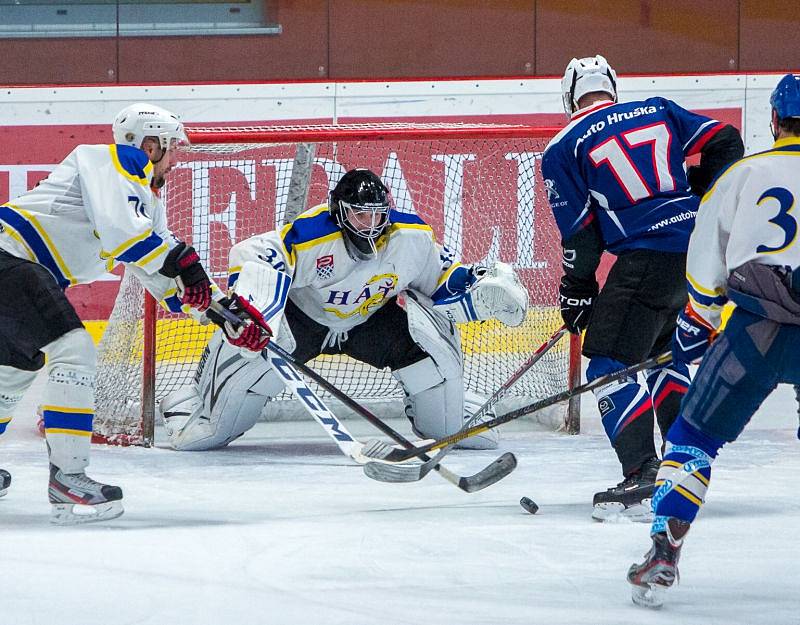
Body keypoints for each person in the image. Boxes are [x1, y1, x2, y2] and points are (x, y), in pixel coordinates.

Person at [0, 103, 269, 524]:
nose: (176, 159)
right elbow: (127, 236)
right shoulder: (107, 160)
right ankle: (68, 477)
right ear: (149, 144)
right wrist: (181, 261)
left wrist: (224, 315)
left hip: (18, 272)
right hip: (9, 259)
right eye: (172, 149)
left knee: (13, 369)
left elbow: (163, 276)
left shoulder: (145, 204)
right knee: (75, 350)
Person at [158, 168, 529, 452]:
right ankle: (194, 404)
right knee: (213, 434)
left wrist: (480, 287)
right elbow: (253, 254)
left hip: (371, 321)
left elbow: (442, 280)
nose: (370, 225)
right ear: (340, 212)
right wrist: (256, 309)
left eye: (377, 215)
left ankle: (451, 409)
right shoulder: (312, 234)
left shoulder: (411, 237)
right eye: (359, 216)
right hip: (304, 321)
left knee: (445, 419)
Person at [541, 55, 744, 521]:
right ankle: (685, 463)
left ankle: (644, 471)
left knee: (609, 363)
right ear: (613, 87)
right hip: (701, 253)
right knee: (661, 353)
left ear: (570, 96)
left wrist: (576, 290)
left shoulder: (564, 145)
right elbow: (726, 139)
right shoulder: (657, 108)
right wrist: (701, 188)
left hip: (647, 260)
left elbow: (580, 235)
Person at [627, 73, 800, 608]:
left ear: (774, 121)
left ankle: (664, 549)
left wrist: (695, 322)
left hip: (756, 331)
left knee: (693, 436)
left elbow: (707, 260)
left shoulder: (744, 174)